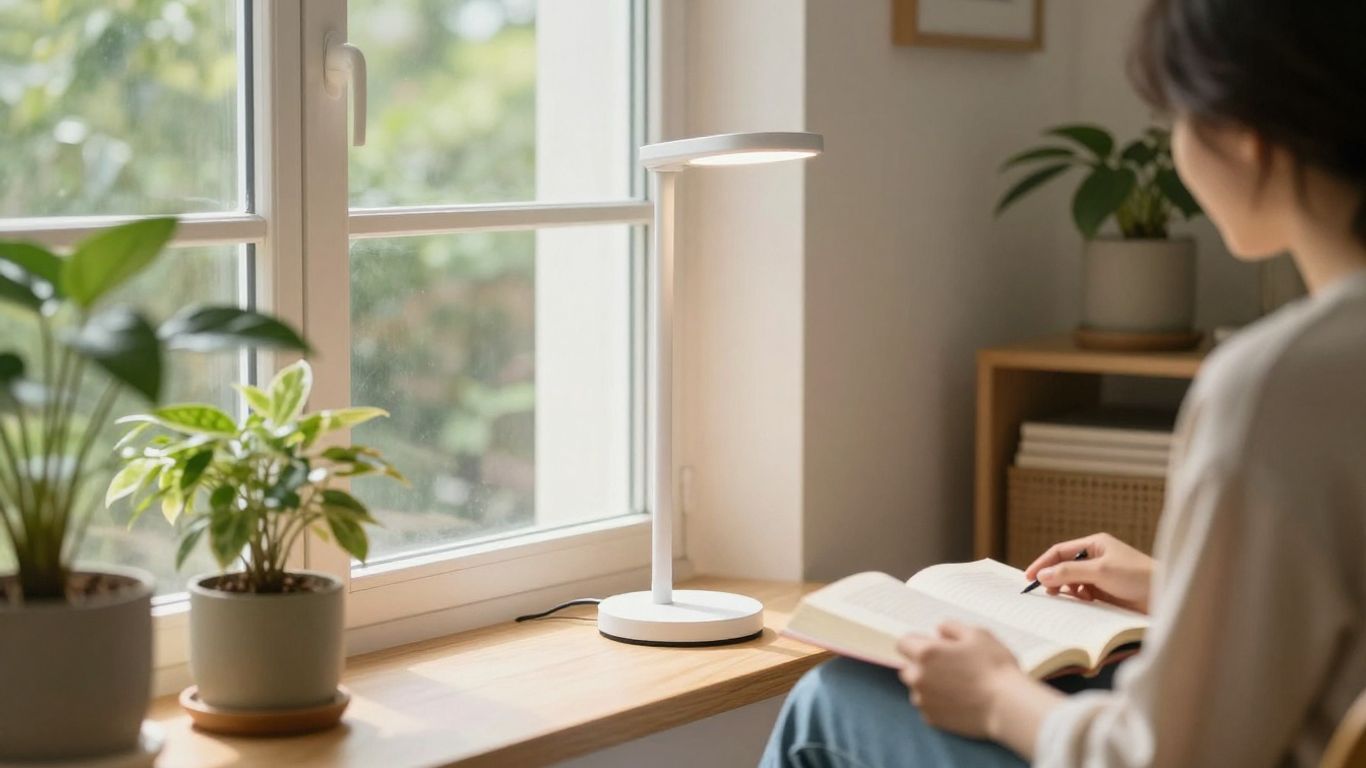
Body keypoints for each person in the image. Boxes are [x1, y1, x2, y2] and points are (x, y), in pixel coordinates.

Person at [761, 0, 1366, 764]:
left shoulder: (1279, 387)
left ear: (1247, 136)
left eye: (1176, 117)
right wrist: (1177, 587)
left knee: (832, 701)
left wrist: (995, 695)